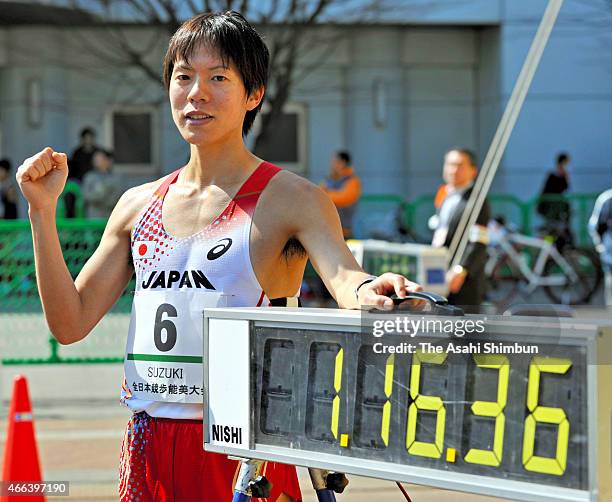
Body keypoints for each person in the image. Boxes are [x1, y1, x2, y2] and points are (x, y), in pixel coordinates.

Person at [16, 11, 421, 502]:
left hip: (247, 451)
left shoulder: (291, 197)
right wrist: (42, 212)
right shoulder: (137, 204)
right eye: (184, 76)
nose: (196, 93)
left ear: (254, 95)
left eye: (218, 78)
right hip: (149, 442)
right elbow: (69, 322)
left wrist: (371, 292)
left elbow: (346, 279)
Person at [431, 148, 490, 308]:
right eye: (449, 164)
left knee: (464, 327)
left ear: (473, 170)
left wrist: (462, 269)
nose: (453, 170)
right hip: (440, 270)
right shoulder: (445, 194)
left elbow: (479, 240)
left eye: (459, 165)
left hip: (463, 280)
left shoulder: (477, 199)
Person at [320, 151, 361, 238]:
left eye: (335, 162)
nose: (332, 165)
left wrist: (326, 194)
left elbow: (345, 198)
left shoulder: (352, 181)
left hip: (345, 232)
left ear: (342, 163)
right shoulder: (329, 180)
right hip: (327, 231)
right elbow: (317, 197)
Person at [64, 127, 100, 217]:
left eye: (90, 138)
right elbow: (73, 170)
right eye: (86, 138)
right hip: (79, 182)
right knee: (70, 196)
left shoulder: (97, 152)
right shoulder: (77, 153)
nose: (88, 141)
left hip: (95, 182)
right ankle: (71, 220)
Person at [537, 152, 572, 238]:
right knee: (551, 229)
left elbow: (566, 188)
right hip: (551, 207)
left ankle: (560, 247)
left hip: (560, 209)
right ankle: (548, 247)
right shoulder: (552, 175)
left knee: (561, 229)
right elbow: (547, 190)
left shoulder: (564, 175)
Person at [82, 149, 122, 218]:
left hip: (110, 215)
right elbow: (85, 195)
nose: (97, 161)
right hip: (93, 215)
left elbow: (117, 195)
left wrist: (106, 201)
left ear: (107, 160)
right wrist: (99, 195)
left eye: (100, 159)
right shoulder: (89, 177)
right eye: (95, 159)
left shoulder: (115, 178)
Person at [589, 189, 612, 306]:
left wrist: (600, 245)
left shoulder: (607, 198)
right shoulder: (608, 199)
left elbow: (595, 226)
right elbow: (596, 226)